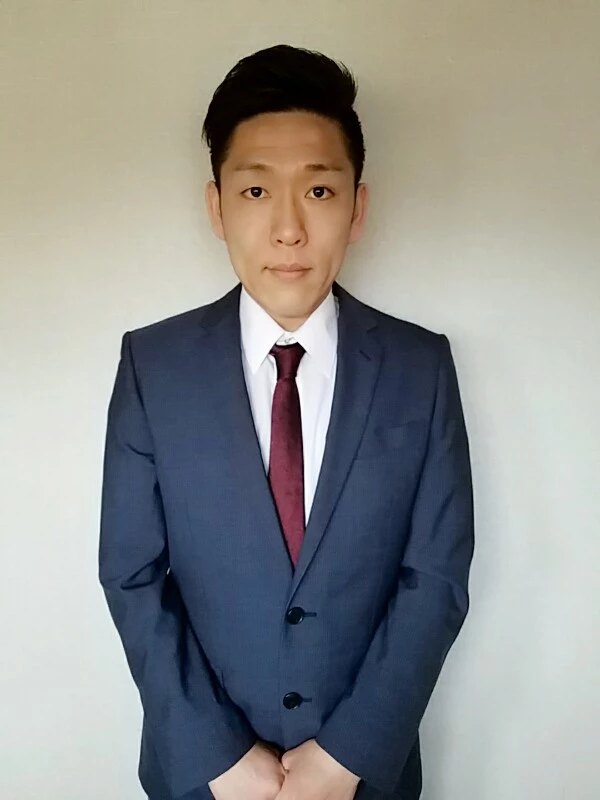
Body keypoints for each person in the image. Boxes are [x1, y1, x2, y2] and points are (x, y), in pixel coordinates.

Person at [98, 43, 474, 800]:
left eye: (320, 190)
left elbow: (435, 577)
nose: (290, 229)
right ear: (217, 208)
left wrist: (345, 758)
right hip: (200, 777)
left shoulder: (421, 365)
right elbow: (131, 574)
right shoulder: (153, 364)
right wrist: (218, 758)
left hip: (365, 776)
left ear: (358, 207)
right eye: (256, 190)